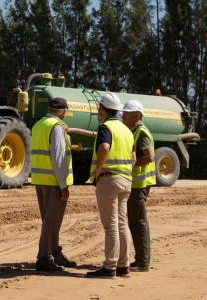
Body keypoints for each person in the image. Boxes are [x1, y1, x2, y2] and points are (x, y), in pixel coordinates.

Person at [85, 93, 136, 279]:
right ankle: (124, 266)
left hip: (109, 179)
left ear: (103, 109)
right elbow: (133, 158)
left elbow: (104, 147)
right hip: (126, 180)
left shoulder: (106, 127)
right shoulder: (127, 131)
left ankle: (109, 267)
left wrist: (99, 169)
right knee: (123, 224)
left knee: (111, 225)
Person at [31, 97, 76, 272]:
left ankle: (55, 253)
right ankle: (44, 258)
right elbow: (59, 159)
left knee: (50, 220)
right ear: (64, 112)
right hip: (53, 181)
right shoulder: (56, 128)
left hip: (40, 180)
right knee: (51, 222)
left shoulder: (39, 125)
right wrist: (63, 186)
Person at [122, 99, 156, 272]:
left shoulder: (141, 132)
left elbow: (149, 157)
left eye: (126, 113)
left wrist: (131, 163)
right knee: (135, 221)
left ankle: (142, 262)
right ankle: (141, 260)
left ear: (136, 115)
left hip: (139, 184)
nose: (123, 115)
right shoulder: (133, 131)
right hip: (136, 183)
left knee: (138, 222)